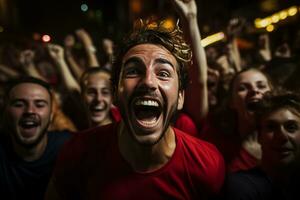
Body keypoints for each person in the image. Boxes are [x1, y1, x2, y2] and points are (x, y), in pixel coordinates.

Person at [45, 10, 225, 200]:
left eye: (163, 73)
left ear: (180, 97)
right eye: (133, 71)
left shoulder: (207, 165)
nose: (148, 82)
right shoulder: (78, 152)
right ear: (115, 92)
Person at [0, 77, 72, 200]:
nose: (29, 111)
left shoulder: (70, 147)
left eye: (39, 104)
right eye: (19, 104)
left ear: (51, 116)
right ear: (6, 113)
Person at [225, 90, 300, 200]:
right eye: (271, 127)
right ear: (259, 136)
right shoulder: (241, 187)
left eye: (291, 127)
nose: (282, 136)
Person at [201, 68, 273, 172]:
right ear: (232, 102)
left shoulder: (287, 139)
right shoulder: (218, 143)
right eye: (243, 88)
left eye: (261, 86)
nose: (254, 90)